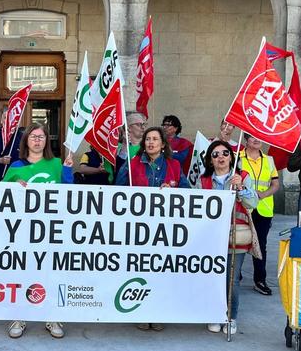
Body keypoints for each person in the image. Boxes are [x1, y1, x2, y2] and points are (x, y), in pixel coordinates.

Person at [3, 123, 73, 339]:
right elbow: (0, 195)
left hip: (51, 229)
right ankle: (19, 315)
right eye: (33, 136)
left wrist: (68, 170)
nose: (37, 140)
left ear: (46, 141)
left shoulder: (56, 164)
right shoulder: (15, 166)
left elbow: (69, 193)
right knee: (22, 272)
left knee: (50, 273)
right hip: (22, 229)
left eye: (41, 136)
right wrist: (15, 183)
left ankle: (51, 316)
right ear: (26, 141)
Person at [117, 126, 188, 331]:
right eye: (148, 139)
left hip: (164, 230)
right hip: (137, 229)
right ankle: (140, 311)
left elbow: (188, 193)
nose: (150, 142)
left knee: (160, 271)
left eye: (155, 139)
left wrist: (173, 191)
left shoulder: (174, 165)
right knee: (139, 270)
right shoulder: (131, 165)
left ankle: (157, 312)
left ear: (163, 144)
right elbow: (117, 193)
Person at [197, 139, 258, 335]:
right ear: (210, 160)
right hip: (210, 237)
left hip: (236, 237)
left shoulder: (243, 177)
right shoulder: (203, 180)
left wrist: (241, 187)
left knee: (231, 280)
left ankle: (231, 317)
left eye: (225, 153)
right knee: (211, 277)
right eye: (215, 154)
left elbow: (252, 203)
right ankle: (214, 314)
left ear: (231, 157)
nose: (220, 157)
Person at [239, 133, 280, 296]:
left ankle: (260, 279)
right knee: (238, 242)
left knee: (260, 244)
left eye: (259, 137)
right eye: (253, 137)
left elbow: (275, 184)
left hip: (263, 208)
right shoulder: (237, 158)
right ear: (246, 140)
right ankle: (236, 275)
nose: (257, 140)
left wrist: (262, 194)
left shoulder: (269, 160)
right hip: (243, 208)